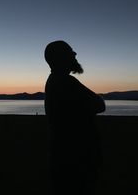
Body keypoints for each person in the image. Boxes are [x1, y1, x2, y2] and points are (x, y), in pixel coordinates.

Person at [44, 40, 105, 195]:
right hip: (74, 163)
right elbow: (99, 104)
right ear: (60, 58)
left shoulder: (56, 81)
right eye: (70, 52)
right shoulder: (65, 82)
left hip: (67, 160)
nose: (75, 54)